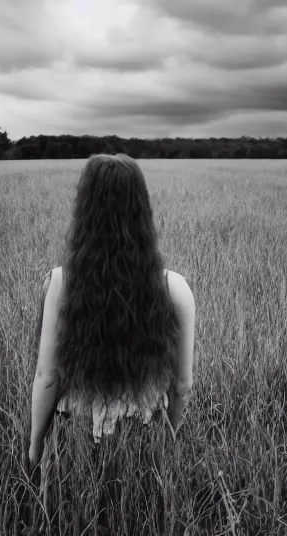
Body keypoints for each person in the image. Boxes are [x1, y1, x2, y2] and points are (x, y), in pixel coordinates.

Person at [27, 153, 195, 527]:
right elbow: (182, 386)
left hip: (75, 443)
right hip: (145, 440)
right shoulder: (175, 289)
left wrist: (36, 444)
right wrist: (163, 440)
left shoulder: (59, 283)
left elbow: (47, 378)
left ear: (84, 209)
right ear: (142, 210)